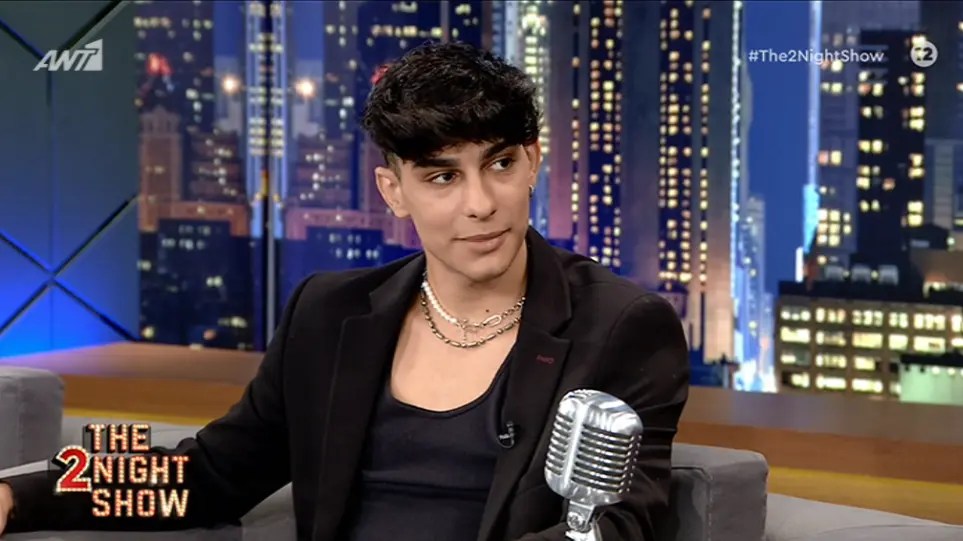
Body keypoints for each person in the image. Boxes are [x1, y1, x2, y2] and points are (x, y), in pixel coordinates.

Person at [0, 41, 690, 540]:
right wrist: (17, 495)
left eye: (500, 165)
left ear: (532, 162)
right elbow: (209, 475)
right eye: (442, 177)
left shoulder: (619, 325)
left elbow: (614, 526)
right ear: (393, 191)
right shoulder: (328, 314)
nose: (481, 203)